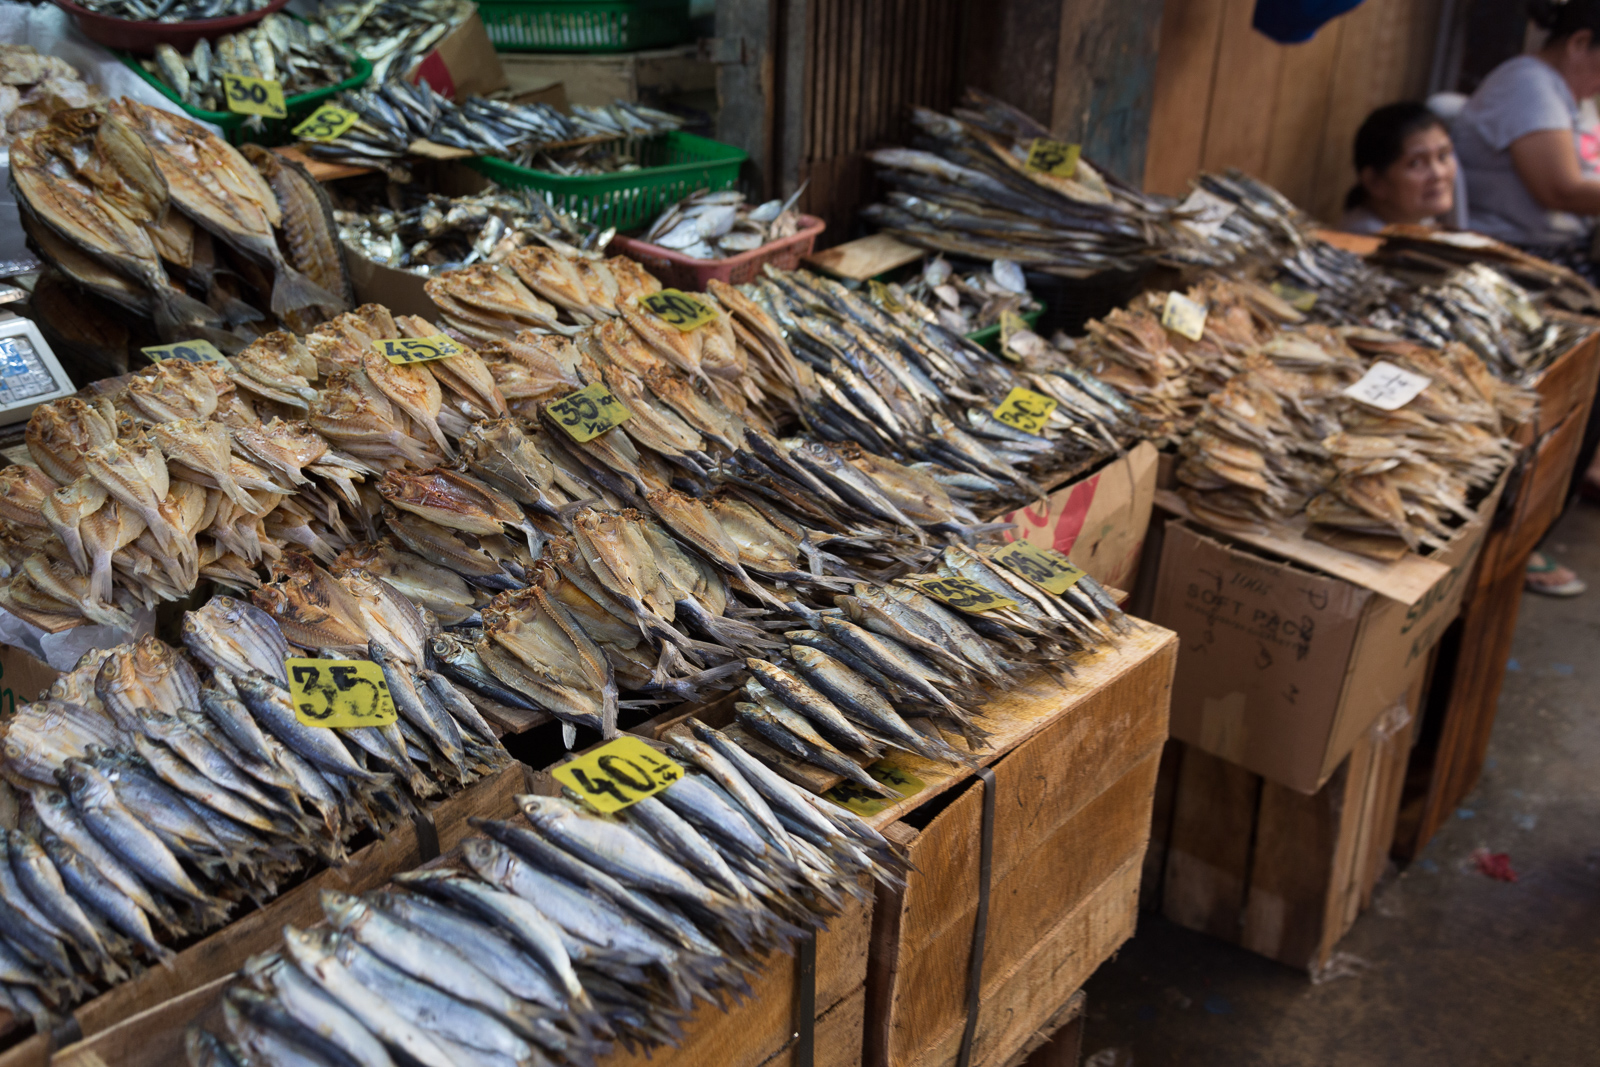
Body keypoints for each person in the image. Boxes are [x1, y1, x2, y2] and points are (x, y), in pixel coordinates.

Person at [1452, 0, 1600, 597]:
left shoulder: (1561, 94)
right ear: (1580, 43)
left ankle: (1550, 503)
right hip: (1513, 263)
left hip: (1550, 257)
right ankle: (1524, 533)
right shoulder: (1528, 84)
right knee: (1581, 372)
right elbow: (1560, 186)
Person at [1341, 102, 1459, 235]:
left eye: (1443, 156)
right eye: (1416, 163)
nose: (1439, 174)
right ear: (1374, 181)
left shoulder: (1417, 225)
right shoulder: (1364, 244)